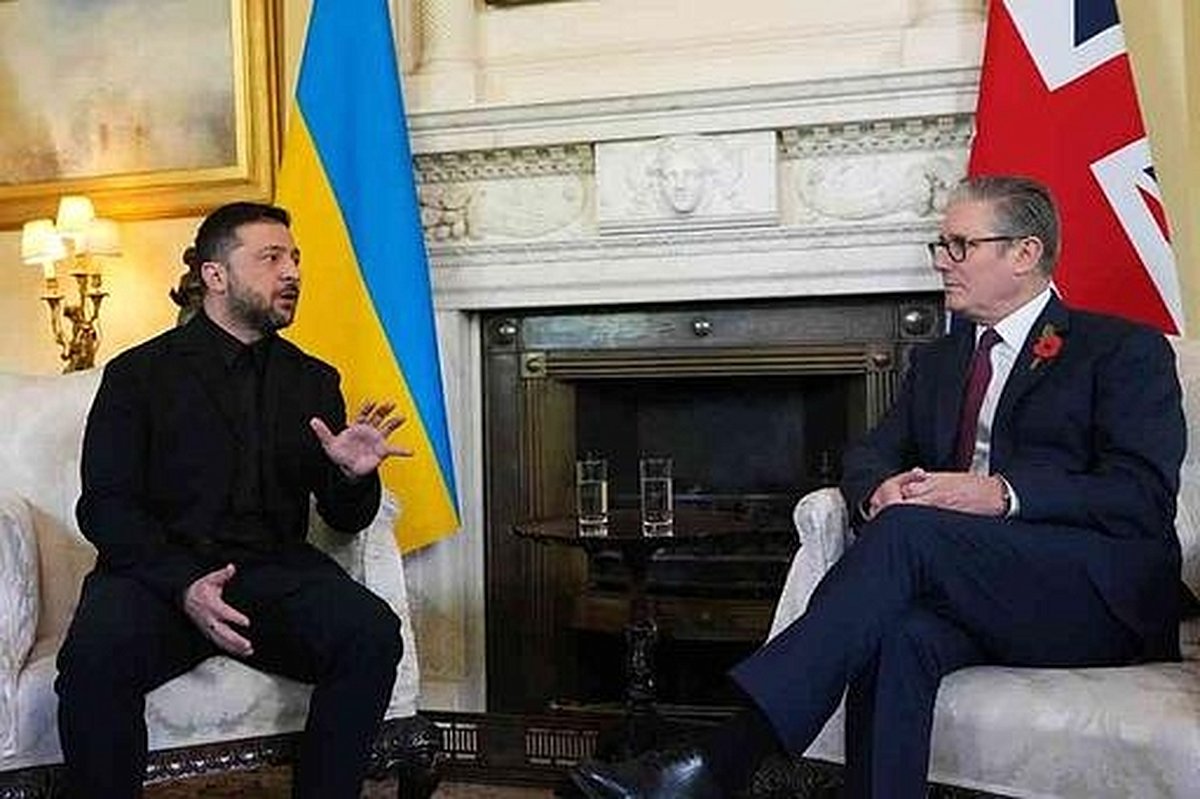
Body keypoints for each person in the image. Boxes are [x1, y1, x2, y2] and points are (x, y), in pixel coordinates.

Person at [570, 175, 1187, 799]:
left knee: (907, 535)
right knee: (896, 634)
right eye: (940, 245)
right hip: (972, 589)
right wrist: (877, 491)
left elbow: (1142, 496)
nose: (942, 262)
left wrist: (1002, 493)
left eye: (961, 245)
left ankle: (723, 758)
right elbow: (870, 453)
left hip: (1093, 598)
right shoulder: (942, 361)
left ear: (1024, 253)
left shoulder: (1120, 351)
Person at [55, 202, 412, 799]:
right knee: (93, 661)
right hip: (157, 577)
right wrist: (184, 584)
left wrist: (353, 477)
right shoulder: (137, 374)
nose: (291, 272)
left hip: (273, 575)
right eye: (271, 258)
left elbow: (344, 519)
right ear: (215, 275)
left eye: (294, 258)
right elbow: (105, 506)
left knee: (371, 632)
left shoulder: (314, 380)